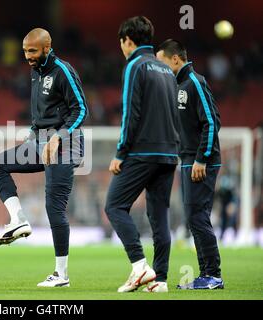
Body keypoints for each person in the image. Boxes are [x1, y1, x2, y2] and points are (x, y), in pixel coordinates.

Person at [0, 28, 88, 287]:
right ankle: (18, 220)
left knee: (54, 209)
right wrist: (33, 134)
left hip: (65, 145)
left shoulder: (62, 71)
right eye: (25, 51)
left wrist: (59, 136)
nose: (28, 56)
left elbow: (81, 109)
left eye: (32, 50)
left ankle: (61, 274)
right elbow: (41, 115)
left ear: (47, 47)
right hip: (41, 142)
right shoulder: (35, 72)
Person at [104, 16, 179, 293]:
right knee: (159, 217)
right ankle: (160, 280)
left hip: (143, 151)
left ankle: (139, 267)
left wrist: (120, 153)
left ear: (127, 40)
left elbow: (130, 113)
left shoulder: (135, 65)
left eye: (121, 43)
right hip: (169, 153)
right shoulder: (165, 69)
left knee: (114, 206)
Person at [156, 39, 224, 290]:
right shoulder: (176, 86)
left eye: (162, 62)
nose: (160, 68)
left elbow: (211, 122)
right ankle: (207, 275)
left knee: (197, 216)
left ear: (175, 59)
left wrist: (201, 158)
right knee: (193, 217)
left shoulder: (195, 82)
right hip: (187, 161)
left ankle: (213, 275)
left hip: (200, 162)